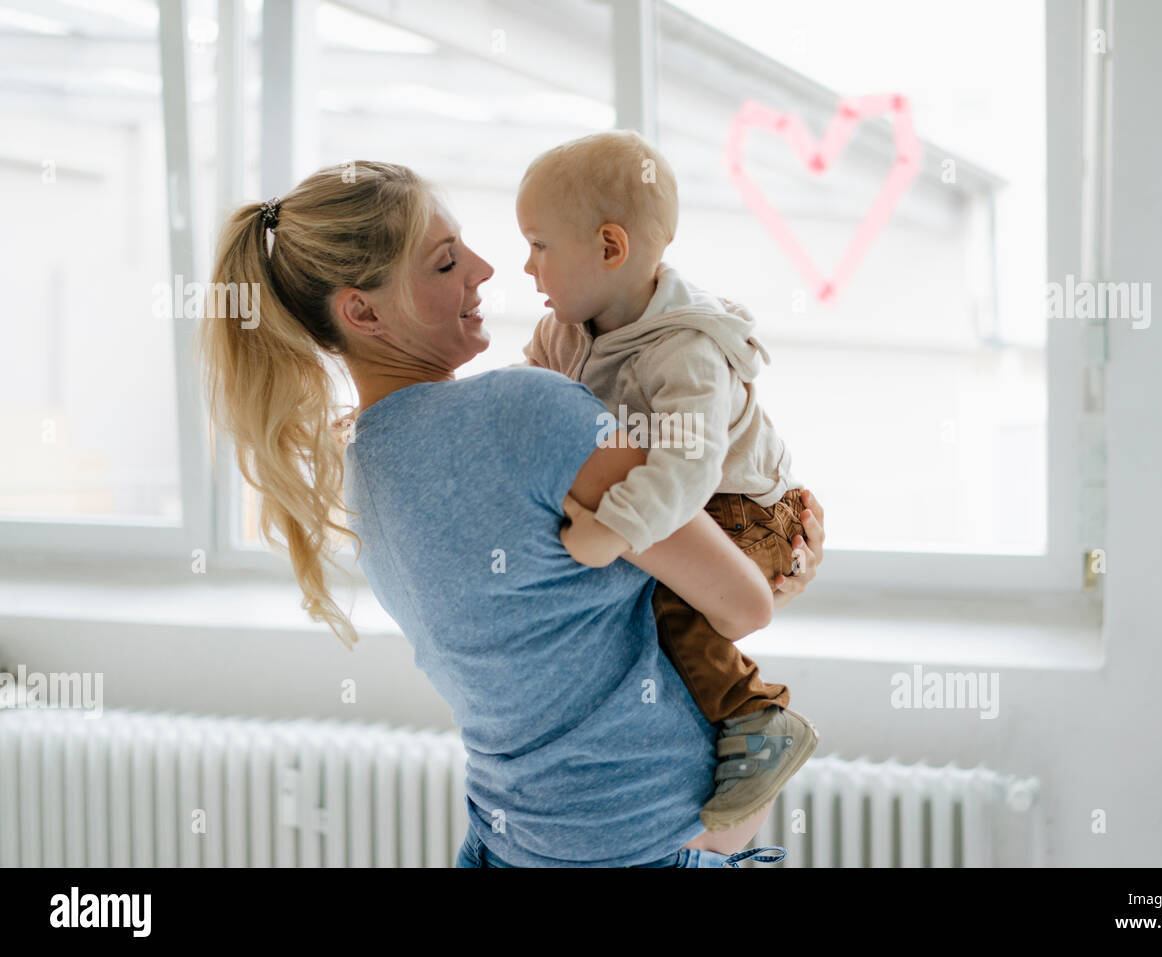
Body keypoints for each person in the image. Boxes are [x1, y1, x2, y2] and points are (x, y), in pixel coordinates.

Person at [199, 160, 825, 867]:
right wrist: (773, 548)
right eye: (445, 262)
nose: (487, 267)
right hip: (640, 838)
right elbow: (742, 604)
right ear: (363, 312)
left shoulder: (360, 472)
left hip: (519, 839)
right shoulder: (527, 412)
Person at [516, 130, 817, 831]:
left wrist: (615, 527)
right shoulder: (568, 330)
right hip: (687, 497)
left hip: (747, 510)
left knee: (665, 601)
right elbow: (523, 399)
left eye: (538, 245)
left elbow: (687, 465)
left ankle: (757, 713)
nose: (526, 267)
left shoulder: (684, 350)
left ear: (610, 249)